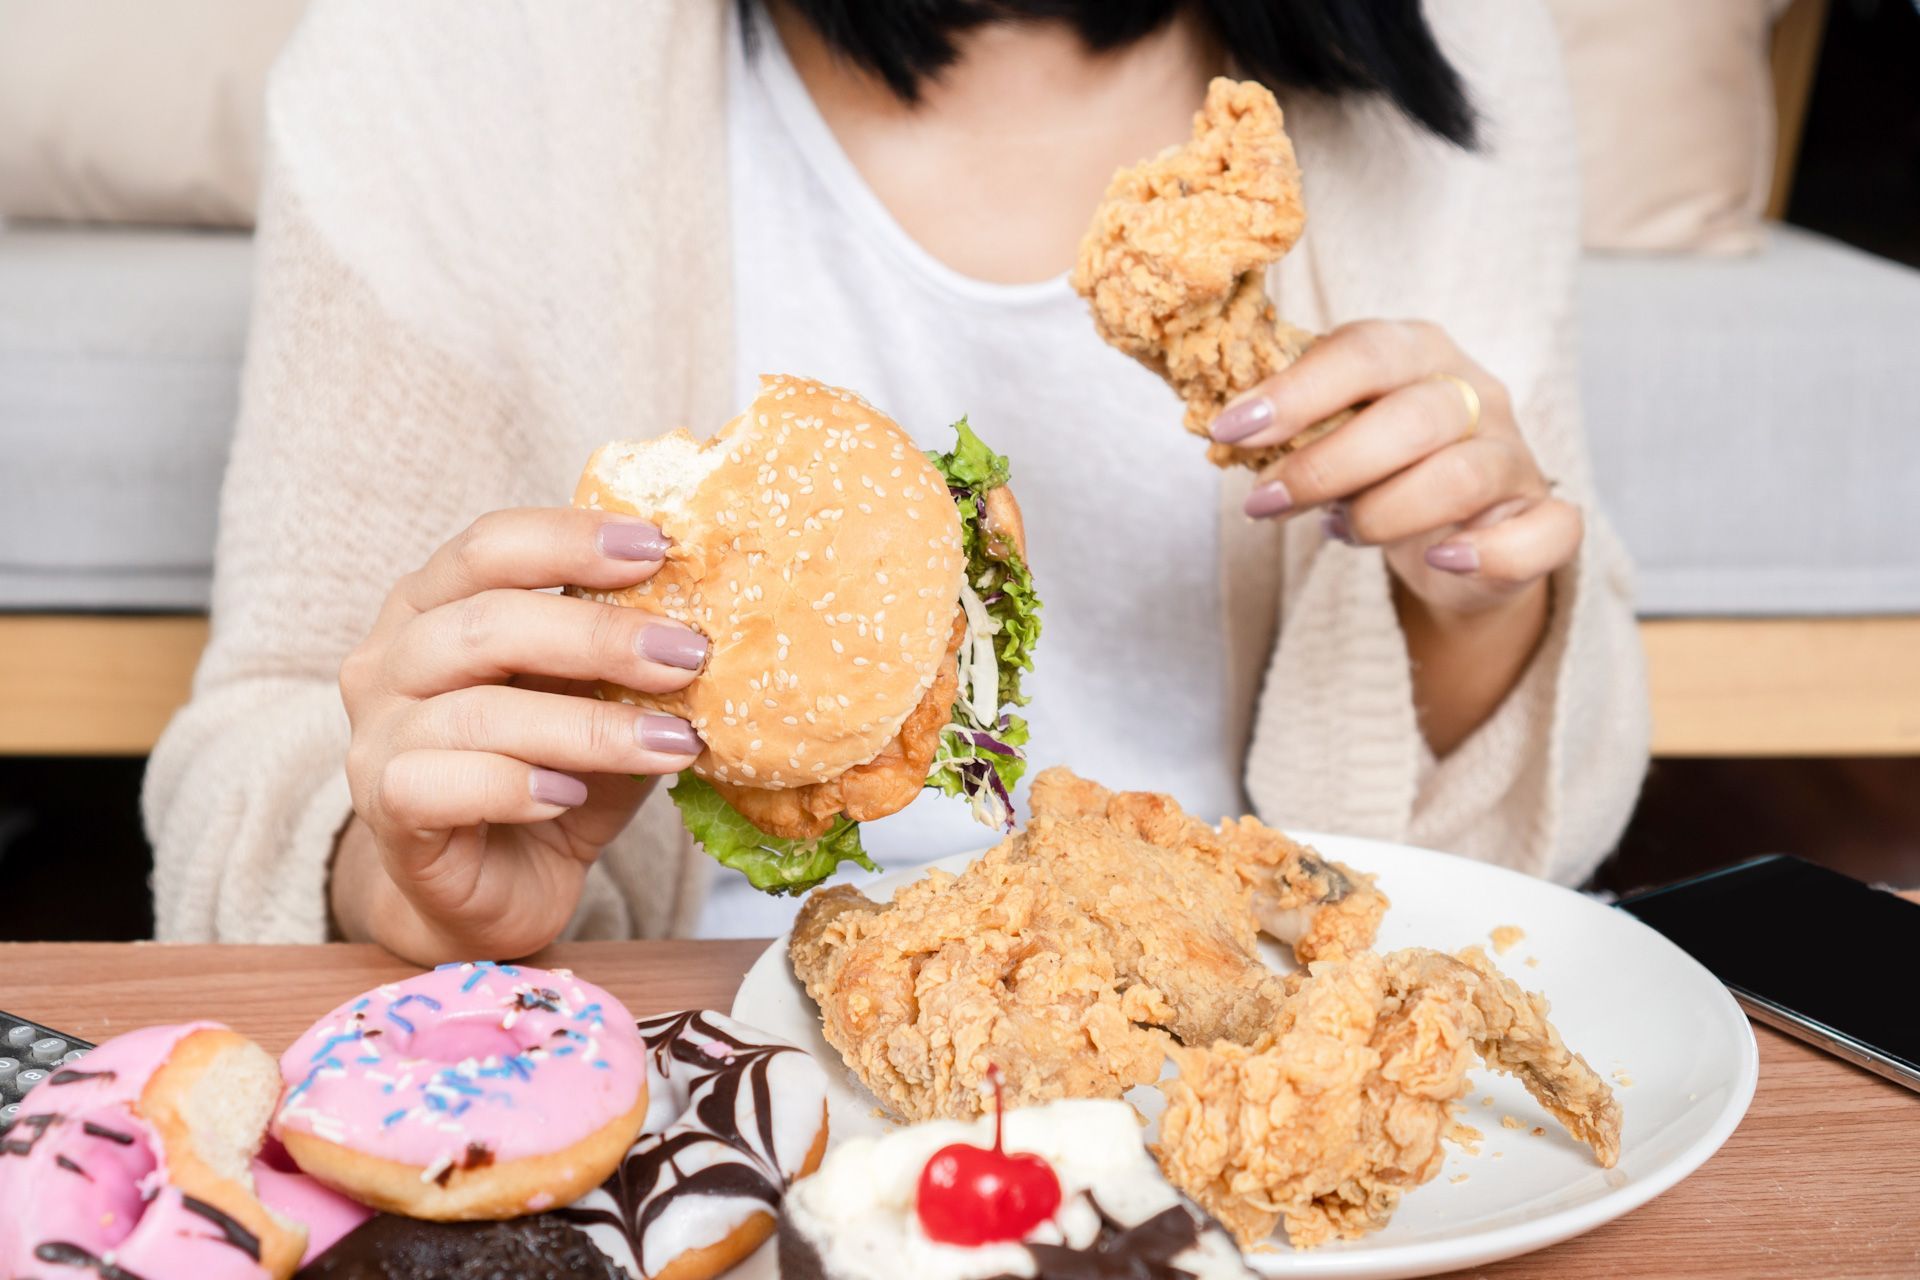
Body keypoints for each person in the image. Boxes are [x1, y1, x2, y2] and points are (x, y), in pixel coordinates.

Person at [144, 0, 1648, 961]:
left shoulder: (1443, 49)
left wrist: (1464, 600)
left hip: (1233, 994)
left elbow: (1518, 835)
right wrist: (403, 879)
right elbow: (259, 745)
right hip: (669, 1029)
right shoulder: (443, 56)